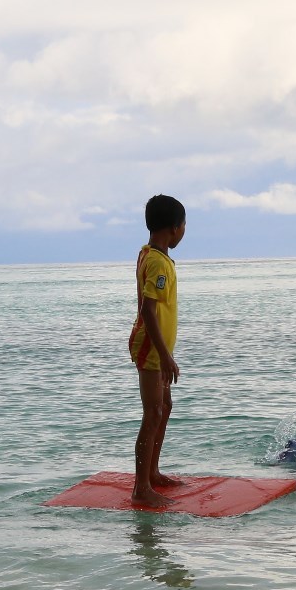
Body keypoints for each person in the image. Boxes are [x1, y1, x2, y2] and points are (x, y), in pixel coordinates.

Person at [127, 194, 185, 507]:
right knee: (153, 413)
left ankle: (153, 472)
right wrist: (164, 355)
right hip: (151, 348)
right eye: (184, 225)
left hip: (156, 347)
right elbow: (149, 311)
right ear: (175, 228)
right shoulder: (158, 263)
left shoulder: (150, 254)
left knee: (164, 407)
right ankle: (141, 487)